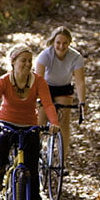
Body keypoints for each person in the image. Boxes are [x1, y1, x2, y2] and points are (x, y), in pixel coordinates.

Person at [0, 43, 60, 200]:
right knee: (0, 140)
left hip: (29, 124)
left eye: (29, 61)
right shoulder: (3, 81)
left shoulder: (39, 82)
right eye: (23, 61)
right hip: (6, 121)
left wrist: (53, 122)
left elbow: (48, 105)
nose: (27, 64)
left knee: (32, 170)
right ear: (13, 62)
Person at [34, 26, 88, 163]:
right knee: (40, 122)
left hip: (64, 88)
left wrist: (82, 102)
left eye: (64, 43)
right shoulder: (45, 55)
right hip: (45, 87)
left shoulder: (75, 57)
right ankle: (35, 152)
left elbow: (80, 82)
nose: (61, 46)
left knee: (63, 123)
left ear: (69, 43)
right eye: (58, 43)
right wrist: (36, 98)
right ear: (53, 42)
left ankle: (62, 160)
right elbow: (37, 79)